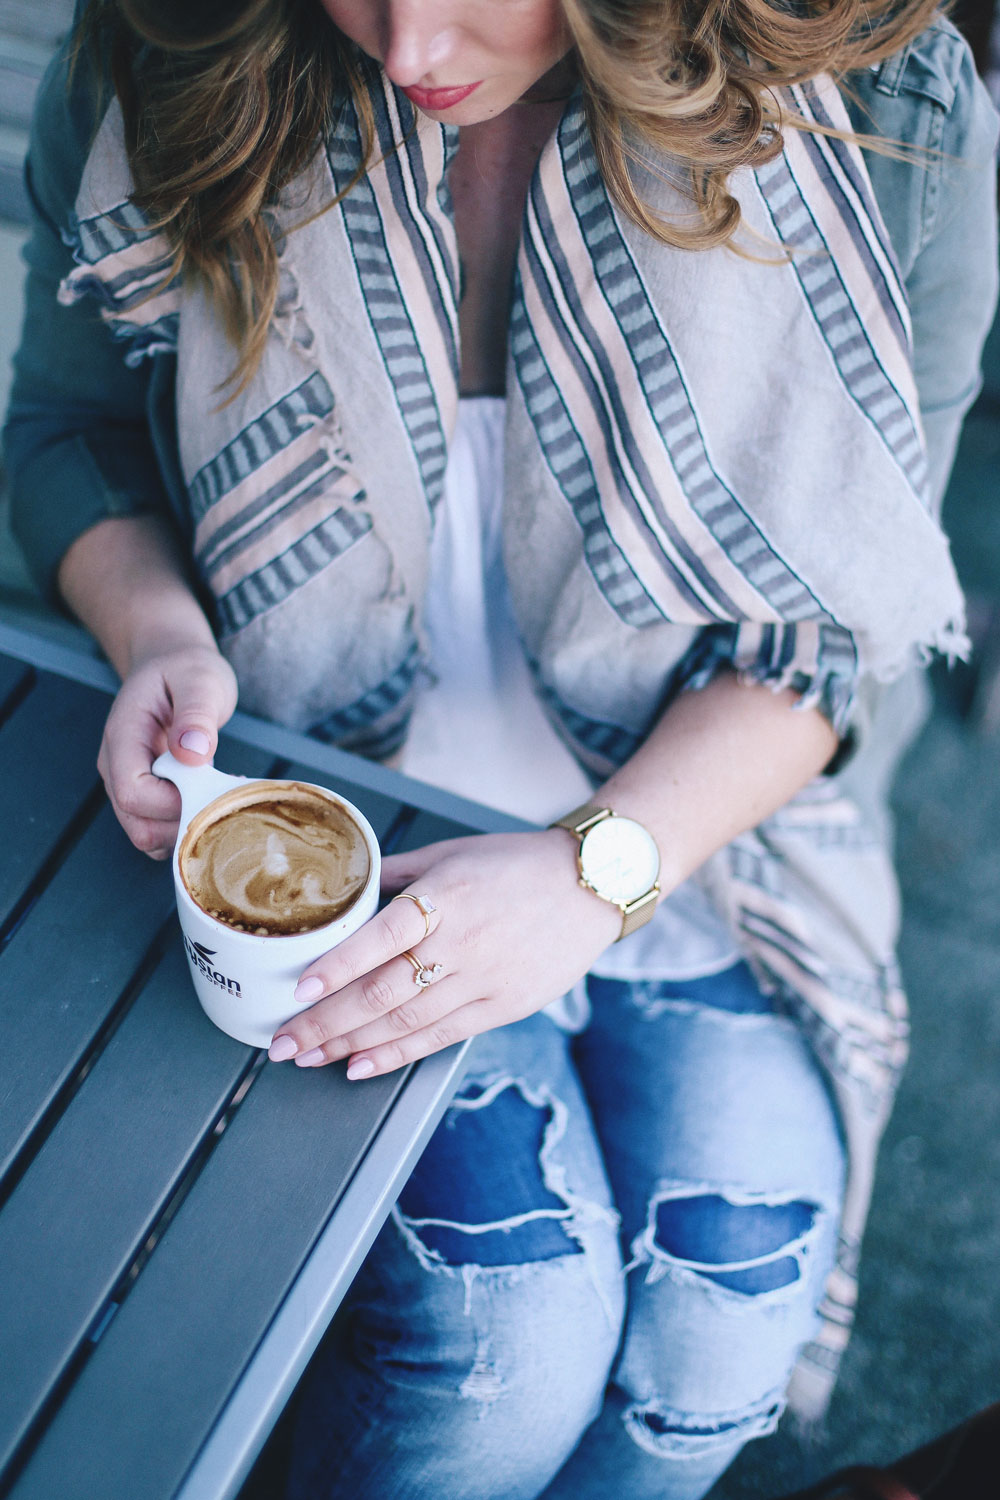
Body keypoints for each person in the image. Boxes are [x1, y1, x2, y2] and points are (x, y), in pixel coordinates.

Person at [4, 1, 998, 1496]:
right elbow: (70, 430)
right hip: (314, 788)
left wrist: (592, 875)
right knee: (500, 1351)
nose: (410, 50)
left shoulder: (887, 109)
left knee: (714, 1358)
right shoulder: (173, 36)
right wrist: (159, 634)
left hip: (701, 824)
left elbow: (835, 631)